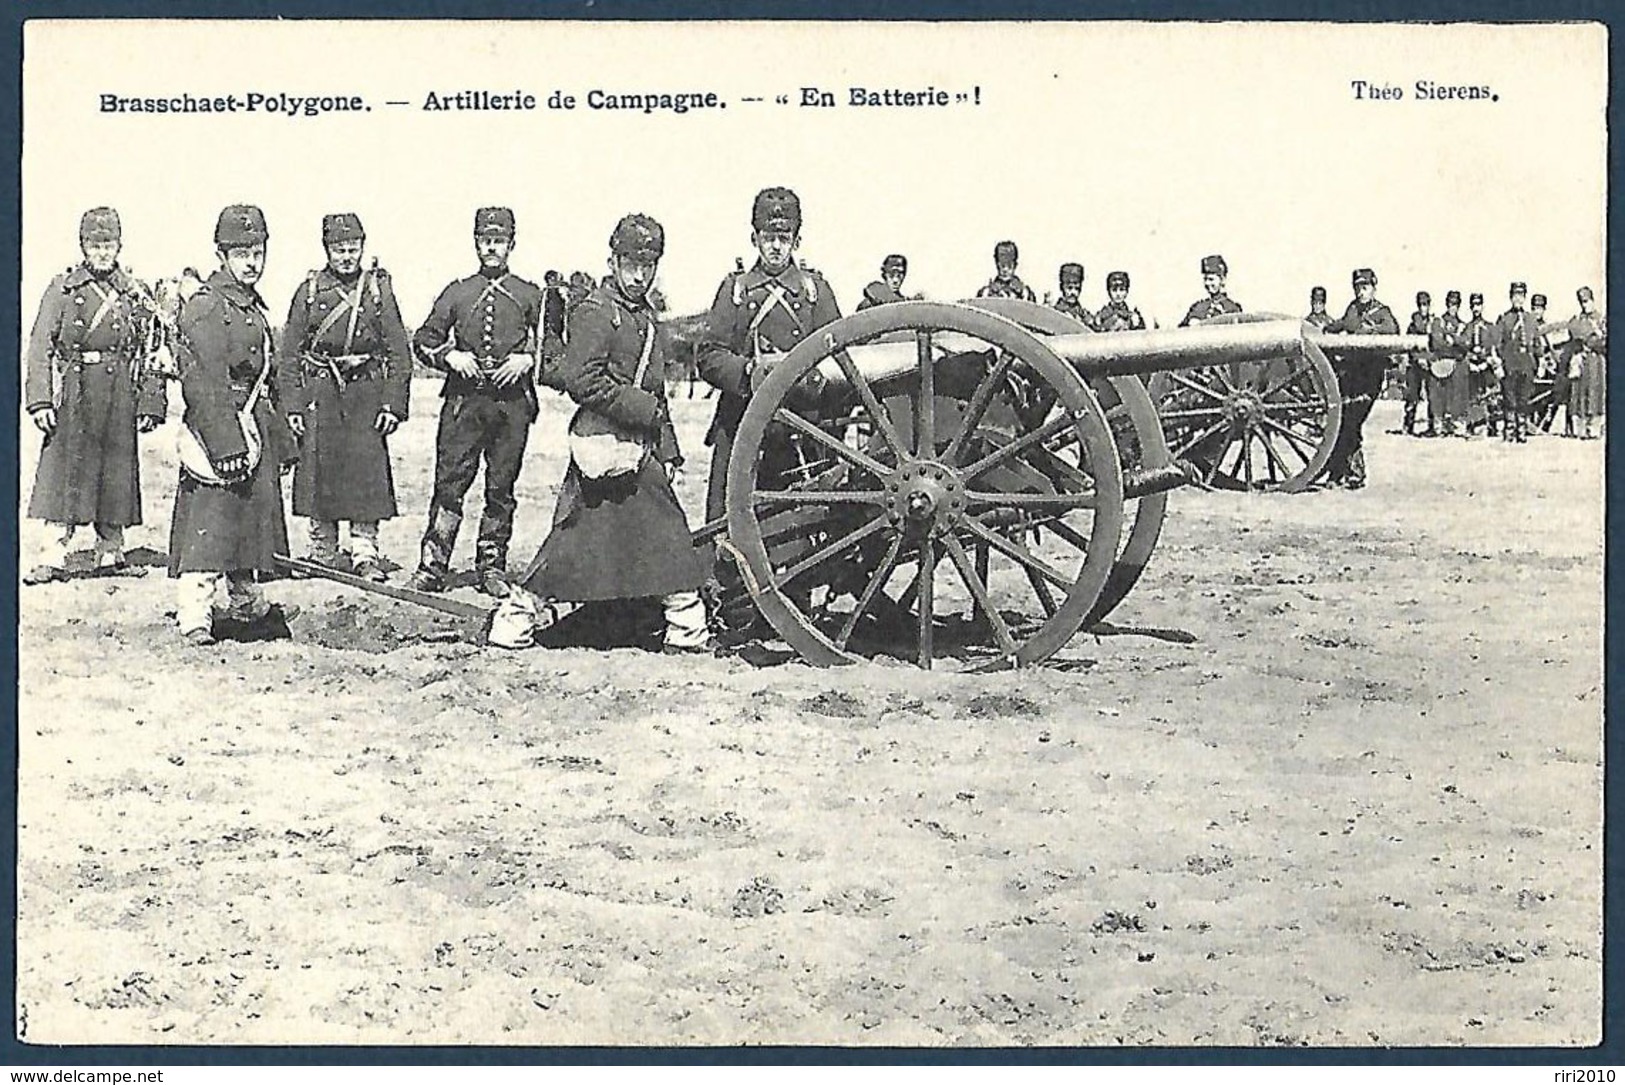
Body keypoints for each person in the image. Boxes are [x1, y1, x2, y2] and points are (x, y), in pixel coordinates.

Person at [496, 214, 710, 654]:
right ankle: (513, 622)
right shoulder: (598, 312)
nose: (639, 274)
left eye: (648, 265)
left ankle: (685, 628)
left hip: (636, 449)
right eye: (631, 263)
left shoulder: (643, 317)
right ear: (612, 260)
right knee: (573, 540)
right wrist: (644, 411)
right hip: (602, 445)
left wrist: (669, 450)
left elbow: (655, 390)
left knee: (660, 533)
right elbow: (583, 381)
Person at [696, 186, 841, 635]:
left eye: (785, 235)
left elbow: (840, 353)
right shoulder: (736, 290)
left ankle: (793, 610)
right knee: (729, 520)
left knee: (797, 521)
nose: (776, 245)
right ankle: (732, 614)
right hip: (741, 427)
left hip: (798, 430)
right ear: (754, 237)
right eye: (767, 236)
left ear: (797, 239)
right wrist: (749, 375)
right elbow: (709, 355)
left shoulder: (815, 290)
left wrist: (811, 382)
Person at [168, 204, 299, 646]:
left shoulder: (251, 306)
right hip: (219, 431)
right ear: (222, 254)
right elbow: (202, 383)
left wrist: (281, 443)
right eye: (241, 252)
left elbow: (270, 377)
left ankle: (244, 600)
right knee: (210, 524)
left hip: (252, 429)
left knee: (247, 522)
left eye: (258, 252)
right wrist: (225, 447)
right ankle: (195, 613)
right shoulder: (207, 305)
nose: (251, 262)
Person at [23, 207, 169, 585]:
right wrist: (40, 400)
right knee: (65, 473)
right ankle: (54, 554)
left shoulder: (134, 291)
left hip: (120, 391)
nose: (102, 252)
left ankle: (111, 550)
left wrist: (151, 401)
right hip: (76, 392)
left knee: (116, 473)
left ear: (119, 246)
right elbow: (40, 344)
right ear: (83, 246)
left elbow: (154, 347)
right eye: (95, 245)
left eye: (108, 245)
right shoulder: (63, 288)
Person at [406, 207, 544, 597]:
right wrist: (451, 357)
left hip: (511, 406)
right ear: (476, 243)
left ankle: (492, 566)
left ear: (511, 245)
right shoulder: (458, 292)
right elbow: (424, 339)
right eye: (485, 241)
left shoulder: (529, 294)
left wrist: (527, 360)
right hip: (463, 406)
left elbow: (557, 347)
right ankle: (432, 565)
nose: (491, 248)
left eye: (499, 241)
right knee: (449, 484)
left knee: (501, 488)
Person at [275, 213, 412, 582]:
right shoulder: (308, 291)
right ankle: (322, 550)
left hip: (366, 394)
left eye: (353, 249)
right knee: (319, 471)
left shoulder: (377, 291)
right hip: (320, 392)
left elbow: (399, 351)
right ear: (327, 250)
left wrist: (393, 404)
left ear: (362, 248)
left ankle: (366, 552)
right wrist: (292, 407)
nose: (347, 256)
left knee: (365, 472)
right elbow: (288, 354)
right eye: (339, 249)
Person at [1319, 267, 1398, 489]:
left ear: (1374, 288)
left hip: (1370, 376)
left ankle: (1352, 474)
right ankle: (1338, 473)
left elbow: (1391, 330)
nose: (1361, 292)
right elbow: (1341, 324)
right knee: (1341, 421)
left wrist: (1368, 333)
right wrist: (1325, 329)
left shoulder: (1383, 312)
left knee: (1351, 422)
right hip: (1351, 375)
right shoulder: (1352, 309)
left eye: (1365, 287)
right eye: (1358, 288)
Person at [1567, 286, 1606, 440]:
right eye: (1582, 302)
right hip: (1583, 360)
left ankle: (1595, 426)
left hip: (1596, 360)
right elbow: (1575, 335)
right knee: (1581, 393)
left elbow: (1605, 340)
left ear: (1592, 301)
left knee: (1596, 392)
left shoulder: (1600, 319)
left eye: (1587, 301)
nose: (1585, 305)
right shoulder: (1578, 319)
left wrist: (1592, 341)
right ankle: (1581, 427)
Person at [1428, 290, 1467, 437]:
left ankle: (1454, 423)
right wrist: (1450, 344)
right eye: (1451, 304)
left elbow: (1465, 345)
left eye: (1455, 304)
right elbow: (1436, 342)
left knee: (1456, 394)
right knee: (1438, 395)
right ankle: (1438, 423)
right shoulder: (1439, 322)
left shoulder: (1462, 325)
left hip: (1454, 363)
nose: (1453, 307)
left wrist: (1453, 339)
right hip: (1439, 362)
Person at [1459, 292, 1499, 437]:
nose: (1476, 308)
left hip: (1486, 367)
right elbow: (1463, 348)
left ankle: (1492, 426)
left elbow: (1493, 348)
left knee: (1491, 396)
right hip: (1473, 367)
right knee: (1472, 397)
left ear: (1482, 306)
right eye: (1473, 305)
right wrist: (1470, 362)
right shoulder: (1467, 328)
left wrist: (1487, 362)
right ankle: (1472, 426)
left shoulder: (1489, 327)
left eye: (1478, 305)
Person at [1397, 291, 1432, 436]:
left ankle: (1432, 425)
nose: (1423, 308)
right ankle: (1408, 424)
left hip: (1429, 364)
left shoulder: (1433, 323)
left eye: (1425, 304)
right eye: (1421, 305)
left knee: (1431, 396)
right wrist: (1418, 359)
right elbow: (1409, 345)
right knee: (1412, 396)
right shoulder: (1413, 325)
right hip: (1415, 364)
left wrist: (1428, 360)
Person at [1179, 254, 1242, 326]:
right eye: (1205, 279)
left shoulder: (1232, 308)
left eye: (1211, 279)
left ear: (1222, 280)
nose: (1207, 283)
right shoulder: (1198, 307)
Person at [1051, 262, 1096, 328]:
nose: (1073, 292)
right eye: (1069, 288)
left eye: (1077, 289)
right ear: (1061, 287)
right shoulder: (1055, 312)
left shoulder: (1083, 314)